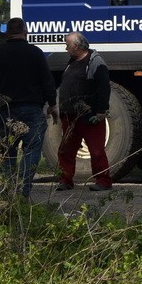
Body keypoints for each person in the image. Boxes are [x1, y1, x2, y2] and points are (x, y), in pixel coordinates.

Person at [0, 18, 57, 199]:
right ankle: (23, 191)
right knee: (31, 149)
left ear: (7, 34)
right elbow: (47, 81)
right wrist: (52, 104)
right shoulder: (35, 53)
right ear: (25, 31)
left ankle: (9, 192)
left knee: (7, 151)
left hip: (4, 111)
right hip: (31, 110)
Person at [55, 32, 112, 192]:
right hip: (70, 116)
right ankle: (65, 180)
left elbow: (104, 88)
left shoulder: (96, 62)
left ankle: (103, 181)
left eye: (67, 45)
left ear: (76, 46)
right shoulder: (72, 62)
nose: (66, 49)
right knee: (65, 149)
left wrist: (101, 111)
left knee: (96, 150)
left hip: (89, 115)